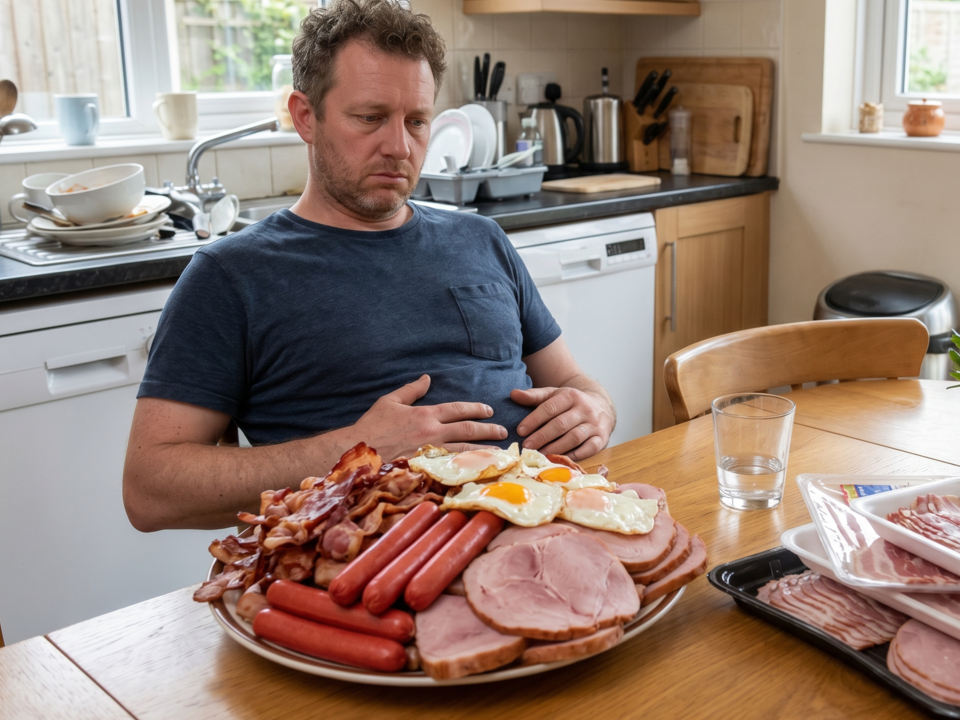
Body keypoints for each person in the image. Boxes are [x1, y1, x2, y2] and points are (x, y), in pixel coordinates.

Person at [123, 0, 615, 532]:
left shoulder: (481, 237)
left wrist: (595, 409)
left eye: (417, 121)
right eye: (370, 118)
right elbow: (149, 492)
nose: (400, 147)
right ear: (306, 117)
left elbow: (574, 382)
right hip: (375, 572)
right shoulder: (230, 277)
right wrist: (354, 451)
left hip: (553, 527)